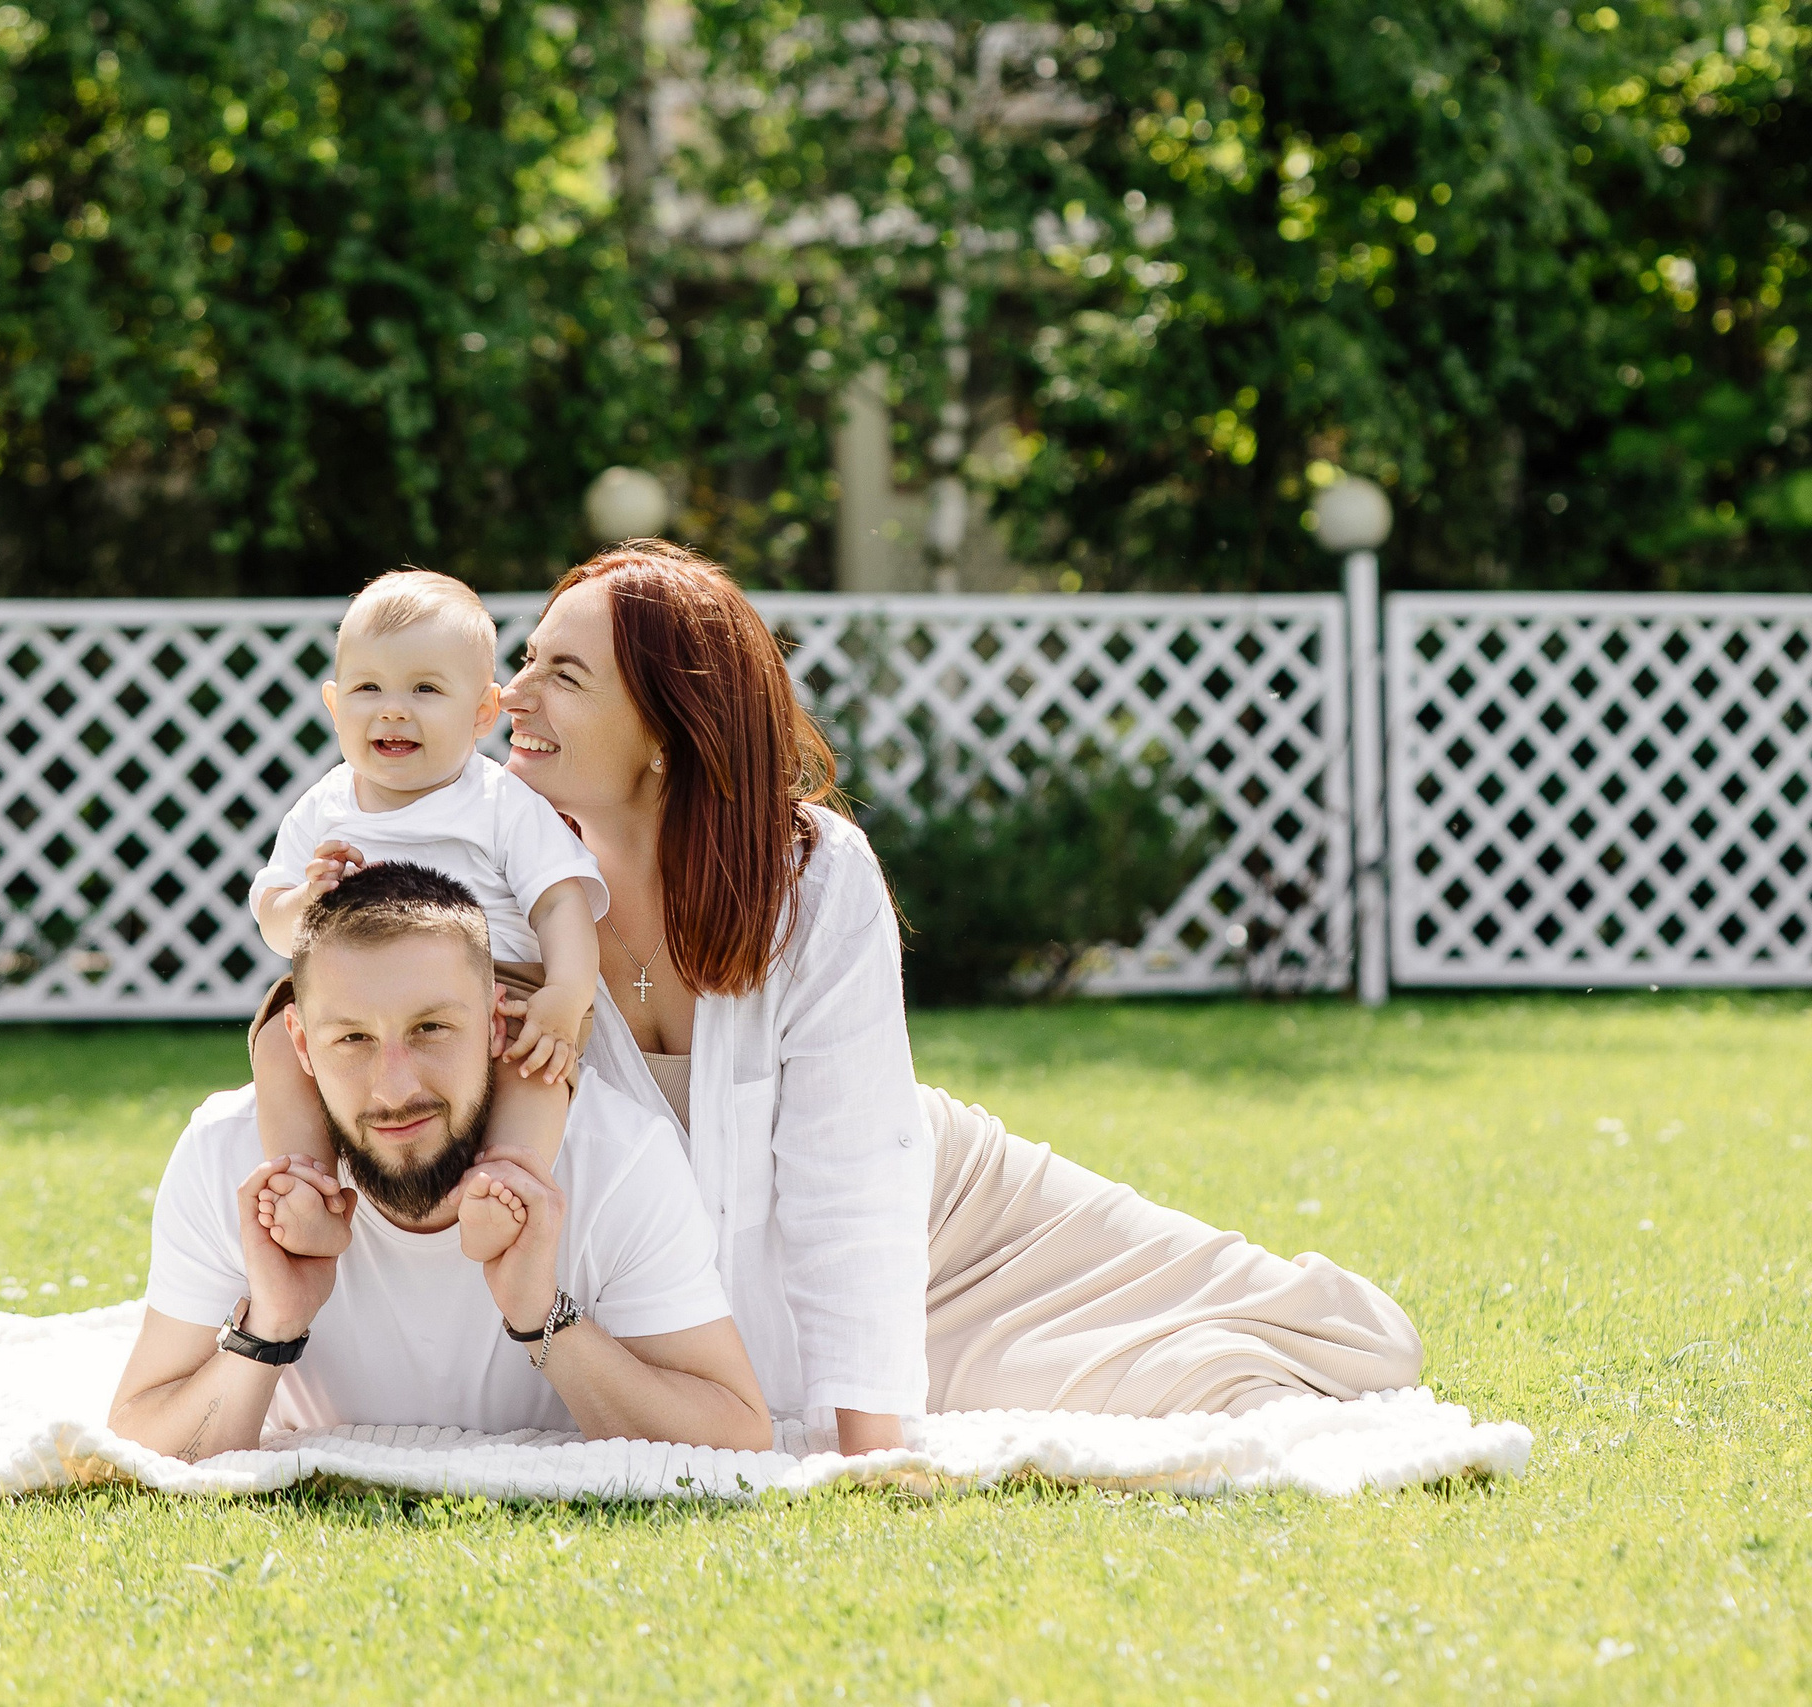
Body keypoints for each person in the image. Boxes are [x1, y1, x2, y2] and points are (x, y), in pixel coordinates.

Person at [498, 540, 1423, 1451]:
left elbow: (850, 1175)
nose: (514, 692)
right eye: (526, 659)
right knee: (1175, 1385)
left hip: (943, 1208)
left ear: (667, 728)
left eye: (564, 674)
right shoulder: (497, 882)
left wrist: (870, 1451)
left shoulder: (811, 877)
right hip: (799, 1315)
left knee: (1345, 1347)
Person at [108, 860, 771, 1459]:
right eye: (353, 1038)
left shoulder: (617, 1159)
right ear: (301, 1045)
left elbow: (738, 1433)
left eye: (431, 1028)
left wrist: (545, 1316)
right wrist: (270, 1325)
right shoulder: (229, 1160)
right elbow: (138, 1438)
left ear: (494, 1022)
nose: (394, 1087)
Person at [245, 570, 606, 1266]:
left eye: (425, 689)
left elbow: (560, 900)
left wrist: (567, 994)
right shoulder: (324, 807)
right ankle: (306, 1185)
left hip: (502, 984)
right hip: (355, 996)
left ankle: (506, 1182)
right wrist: (303, 904)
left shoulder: (499, 802)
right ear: (333, 703)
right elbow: (272, 918)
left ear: (481, 713)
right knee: (274, 1040)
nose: (392, 711)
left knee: (534, 1059)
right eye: (369, 688)